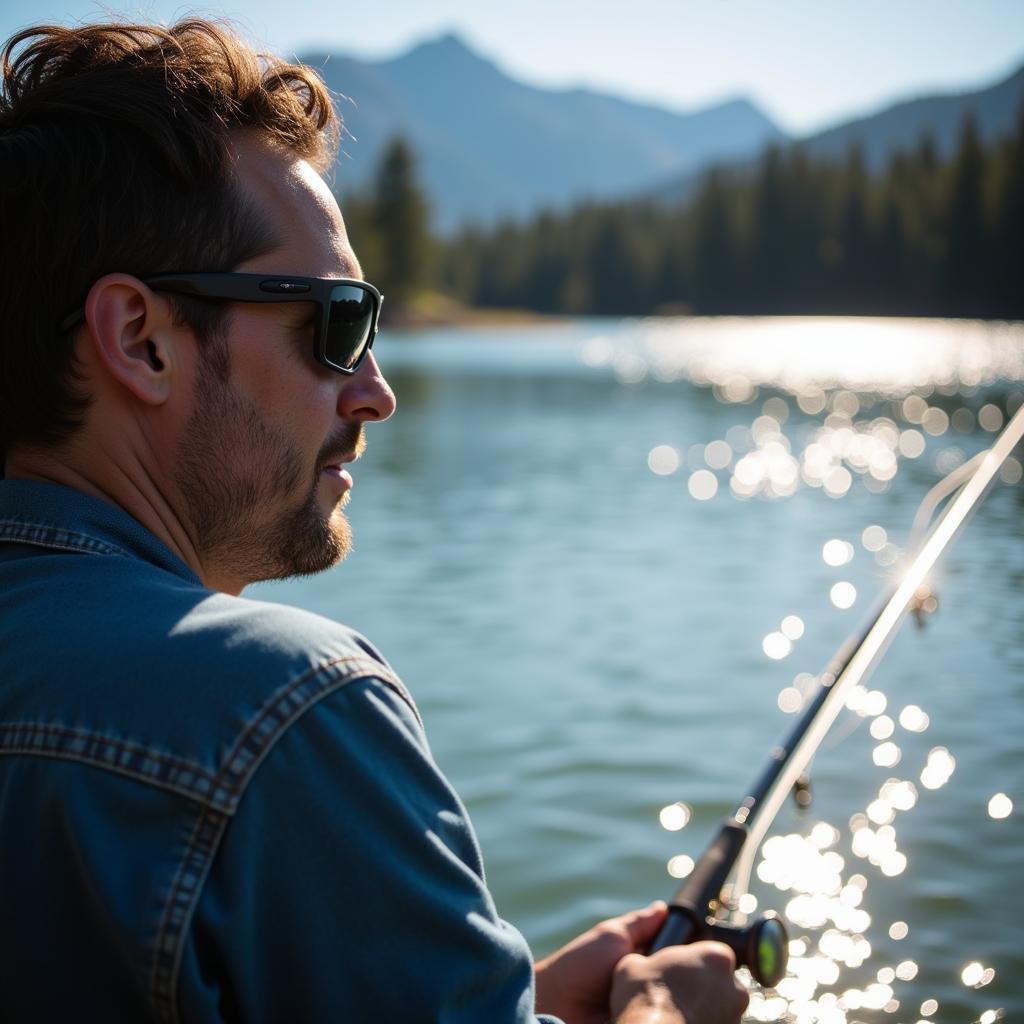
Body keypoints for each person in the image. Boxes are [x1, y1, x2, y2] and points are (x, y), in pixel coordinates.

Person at [0, 19, 750, 1024]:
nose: (377, 392)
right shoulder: (283, 706)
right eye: (338, 323)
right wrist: (660, 1014)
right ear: (141, 340)